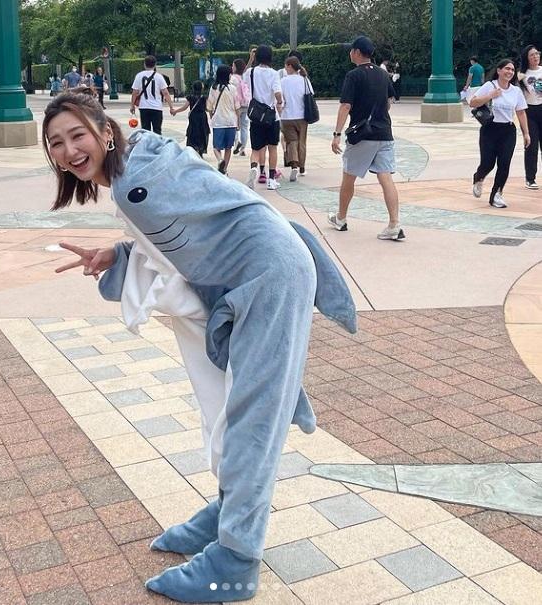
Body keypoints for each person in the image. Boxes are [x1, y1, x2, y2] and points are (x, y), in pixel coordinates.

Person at [42, 91, 356, 604]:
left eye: (77, 135)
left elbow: (188, 245)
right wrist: (118, 253)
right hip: (269, 264)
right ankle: (228, 512)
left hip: (267, 278)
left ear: (105, 130)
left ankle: (236, 559)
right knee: (236, 406)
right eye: (56, 143)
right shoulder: (140, 156)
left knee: (251, 416)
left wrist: (126, 260)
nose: (69, 151)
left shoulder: (135, 187)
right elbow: (196, 227)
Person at [328, 36, 404, 240]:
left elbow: (346, 106)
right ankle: (394, 224)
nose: (350, 53)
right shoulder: (383, 74)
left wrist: (337, 134)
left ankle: (341, 218)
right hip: (384, 133)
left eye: (351, 50)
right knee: (385, 177)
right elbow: (388, 101)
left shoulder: (353, 76)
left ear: (357, 52)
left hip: (362, 134)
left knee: (349, 176)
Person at [470, 59, 530, 208]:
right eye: (507, 69)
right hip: (490, 129)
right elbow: (473, 102)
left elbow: (521, 112)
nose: (510, 72)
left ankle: (497, 194)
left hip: (508, 131)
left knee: (504, 164)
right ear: (499, 70)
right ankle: (478, 177)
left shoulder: (516, 91)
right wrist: (490, 95)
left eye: (512, 69)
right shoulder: (490, 86)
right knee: (488, 163)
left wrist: (526, 133)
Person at [243, 45, 283, 191]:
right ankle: (271, 180)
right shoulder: (274, 73)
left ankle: (254, 168)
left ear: (257, 56)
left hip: (256, 116)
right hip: (271, 116)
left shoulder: (251, 72)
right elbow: (277, 93)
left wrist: (250, 59)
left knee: (256, 149)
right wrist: (279, 102)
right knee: (272, 148)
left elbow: (243, 76)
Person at [280, 57, 312, 181]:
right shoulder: (304, 80)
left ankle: (294, 166)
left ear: (289, 66)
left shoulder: (283, 81)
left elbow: (280, 98)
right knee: (302, 142)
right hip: (302, 116)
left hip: (287, 116)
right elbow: (310, 95)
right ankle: (302, 168)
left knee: (292, 142)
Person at [207, 64, 240, 174]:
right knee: (228, 147)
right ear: (227, 75)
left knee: (216, 147)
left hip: (218, 121)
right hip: (231, 121)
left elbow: (209, 106)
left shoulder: (213, 88)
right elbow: (237, 107)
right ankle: (224, 169)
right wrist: (238, 122)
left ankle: (220, 160)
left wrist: (211, 116)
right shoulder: (233, 89)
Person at [518, 45, 542, 189]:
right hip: (529, 112)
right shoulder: (522, 75)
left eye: (537, 54)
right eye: (532, 55)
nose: (535, 57)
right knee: (531, 145)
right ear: (526, 58)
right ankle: (530, 179)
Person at [130, 55, 174, 135]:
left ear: (144, 64)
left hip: (144, 107)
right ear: (155, 64)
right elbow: (165, 92)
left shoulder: (139, 76)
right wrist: (171, 107)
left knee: (145, 130)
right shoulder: (159, 77)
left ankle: (146, 143)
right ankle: (157, 143)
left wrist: (132, 105)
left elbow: (134, 92)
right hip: (157, 107)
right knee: (157, 130)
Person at [171, 80, 210, 156]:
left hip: (194, 116)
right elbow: (207, 108)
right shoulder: (204, 98)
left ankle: (193, 147)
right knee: (202, 131)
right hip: (202, 116)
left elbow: (184, 107)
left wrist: (176, 111)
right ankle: (201, 148)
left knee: (193, 131)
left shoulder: (190, 97)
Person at [231, 58, 250, 156]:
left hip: (236, 105)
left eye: (233, 65)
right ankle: (243, 149)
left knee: (234, 125)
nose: (232, 67)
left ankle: (236, 143)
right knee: (244, 127)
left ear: (236, 67)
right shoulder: (244, 77)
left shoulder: (232, 79)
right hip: (245, 104)